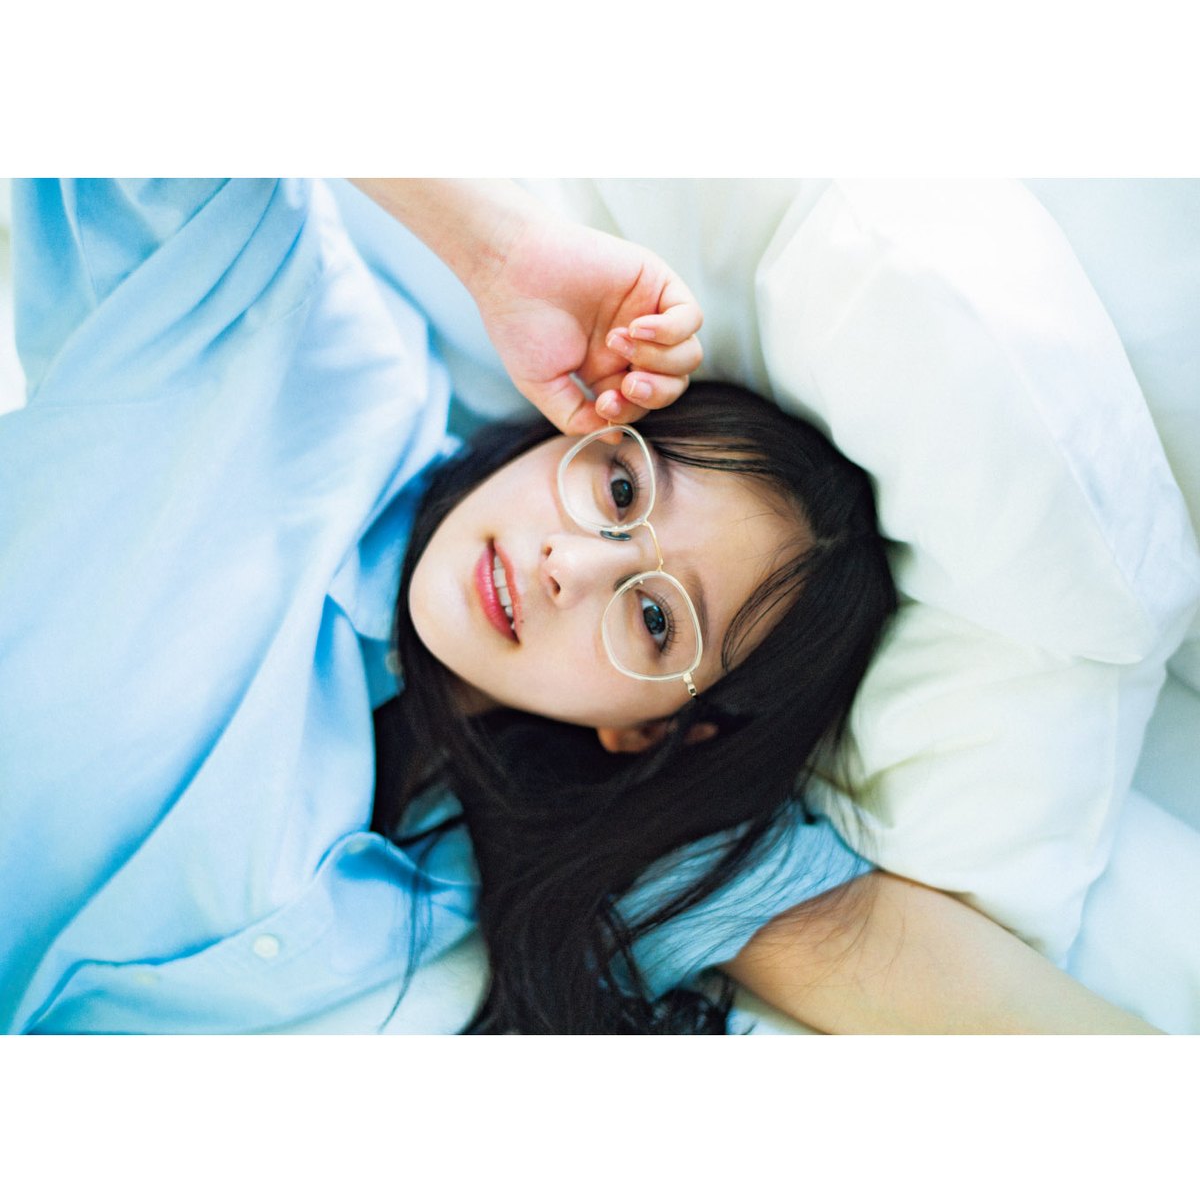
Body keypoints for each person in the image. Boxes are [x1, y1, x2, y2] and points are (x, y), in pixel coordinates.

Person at [0, 178, 1158, 1034]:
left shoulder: (575, 868)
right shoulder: (290, 359)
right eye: (619, 488)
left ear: (649, 729)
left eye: (655, 620)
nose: (572, 566)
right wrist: (501, 249)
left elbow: (935, 986)